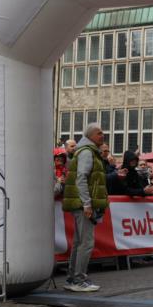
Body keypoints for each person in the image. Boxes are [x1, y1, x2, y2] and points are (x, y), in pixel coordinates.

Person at [61, 123, 109, 292]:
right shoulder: (88, 152)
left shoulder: (86, 150)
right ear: (90, 136)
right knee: (86, 243)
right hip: (83, 204)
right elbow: (82, 178)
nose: (102, 135)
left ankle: (73, 278)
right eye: (99, 133)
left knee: (79, 242)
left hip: (80, 203)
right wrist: (87, 204)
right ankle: (78, 279)